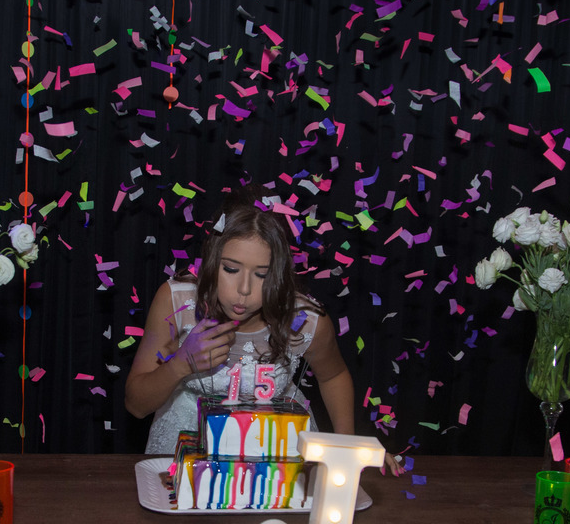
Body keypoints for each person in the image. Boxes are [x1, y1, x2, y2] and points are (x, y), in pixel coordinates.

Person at [125, 186, 401, 476]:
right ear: (211, 260)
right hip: (190, 449)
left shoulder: (304, 320)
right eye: (231, 269)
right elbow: (135, 405)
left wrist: (346, 445)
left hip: (276, 454)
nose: (244, 289)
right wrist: (180, 365)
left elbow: (333, 376)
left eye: (262, 274)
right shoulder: (177, 302)